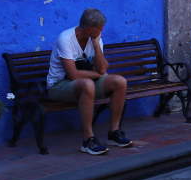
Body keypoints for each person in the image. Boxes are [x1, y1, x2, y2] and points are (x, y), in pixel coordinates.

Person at [46, 8, 132, 155]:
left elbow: (103, 69)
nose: (101, 31)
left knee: (119, 82)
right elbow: (73, 74)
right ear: (88, 28)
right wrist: (96, 74)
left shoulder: (95, 38)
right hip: (58, 86)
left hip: (86, 83)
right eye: (99, 28)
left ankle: (114, 132)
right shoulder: (65, 39)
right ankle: (88, 140)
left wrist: (97, 45)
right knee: (87, 84)